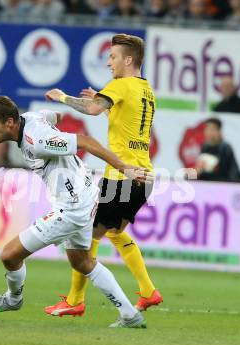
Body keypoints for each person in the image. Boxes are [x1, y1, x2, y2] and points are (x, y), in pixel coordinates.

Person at [0, 95, 152, 328]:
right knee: (81, 261)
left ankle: (13, 299)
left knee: (9, 255)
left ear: (10, 122)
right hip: (86, 195)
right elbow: (54, 115)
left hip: (72, 206)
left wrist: (125, 168)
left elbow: (86, 142)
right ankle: (130, 315)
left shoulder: (37, 140)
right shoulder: (31, 118)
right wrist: (54, 126)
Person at [44, 33, 162, 317]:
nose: (109, 63)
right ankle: (148, 292)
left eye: (112, 57)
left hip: (123, 177)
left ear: (128, 59)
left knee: (84, 236)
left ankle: (75, 301)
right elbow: (123, 121)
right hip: (143, 177)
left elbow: (93, 109)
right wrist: (105, 104)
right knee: (116, 233)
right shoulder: (145, 90)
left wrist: (63, 98)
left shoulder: (121, 85)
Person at [196, 118, 240, 182]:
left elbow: (225, 172)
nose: (209, 132)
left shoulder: (225, 148)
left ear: (219, 131)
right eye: (207, 129)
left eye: (212, 129)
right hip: (210, 182)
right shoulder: (205, 147)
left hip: (228, 182)